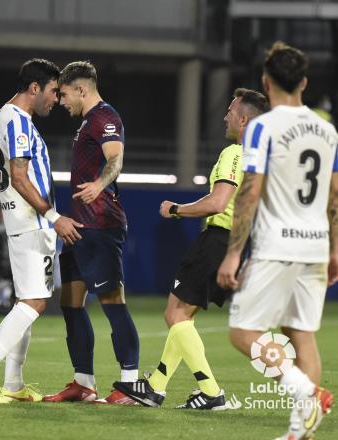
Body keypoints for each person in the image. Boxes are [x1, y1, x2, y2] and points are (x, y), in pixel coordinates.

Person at [112, 88, 269, 409]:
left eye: (230, 110)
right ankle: (156, 387)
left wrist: (175, 209)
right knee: (182, 317)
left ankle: (210, 393)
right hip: (238, 243)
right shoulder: (262, 161)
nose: (225, 115)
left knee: (176, 314)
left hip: (217, 240)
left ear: (244, 120)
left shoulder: (235, 154)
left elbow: (218, 202)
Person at [217, 42, 336, 438]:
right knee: (301, 335)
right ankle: (299, 432)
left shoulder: (264, 127)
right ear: (303, 81)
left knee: (242, 332)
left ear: (266, 83)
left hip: (277, 245)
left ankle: (307, 393)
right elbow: (334, 196)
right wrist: (335, 248)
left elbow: (250, 191)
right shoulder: (327, 130)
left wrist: (234, 253)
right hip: (315, 244)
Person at [0, 58, 82, 403]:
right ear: (34, 88)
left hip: (24, 220)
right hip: (31, 220)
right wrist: (53, 215)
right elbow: (19, 177)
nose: (56, 100)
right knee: (34, 301)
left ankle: (13, 383)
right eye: (53, 91)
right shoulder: (16, 121)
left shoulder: (7, 118)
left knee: (27, 300)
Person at [42, 61, 140, 404]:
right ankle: (83, 383)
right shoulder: (87, 121)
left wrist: (100, 184)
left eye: (64, 94)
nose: (61, 101)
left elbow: (116, 159)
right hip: (80, 227)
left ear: (81, 89)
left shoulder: (104, 117)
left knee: (112, 302)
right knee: (70, 303)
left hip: (101, 225)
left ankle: (130, 384)